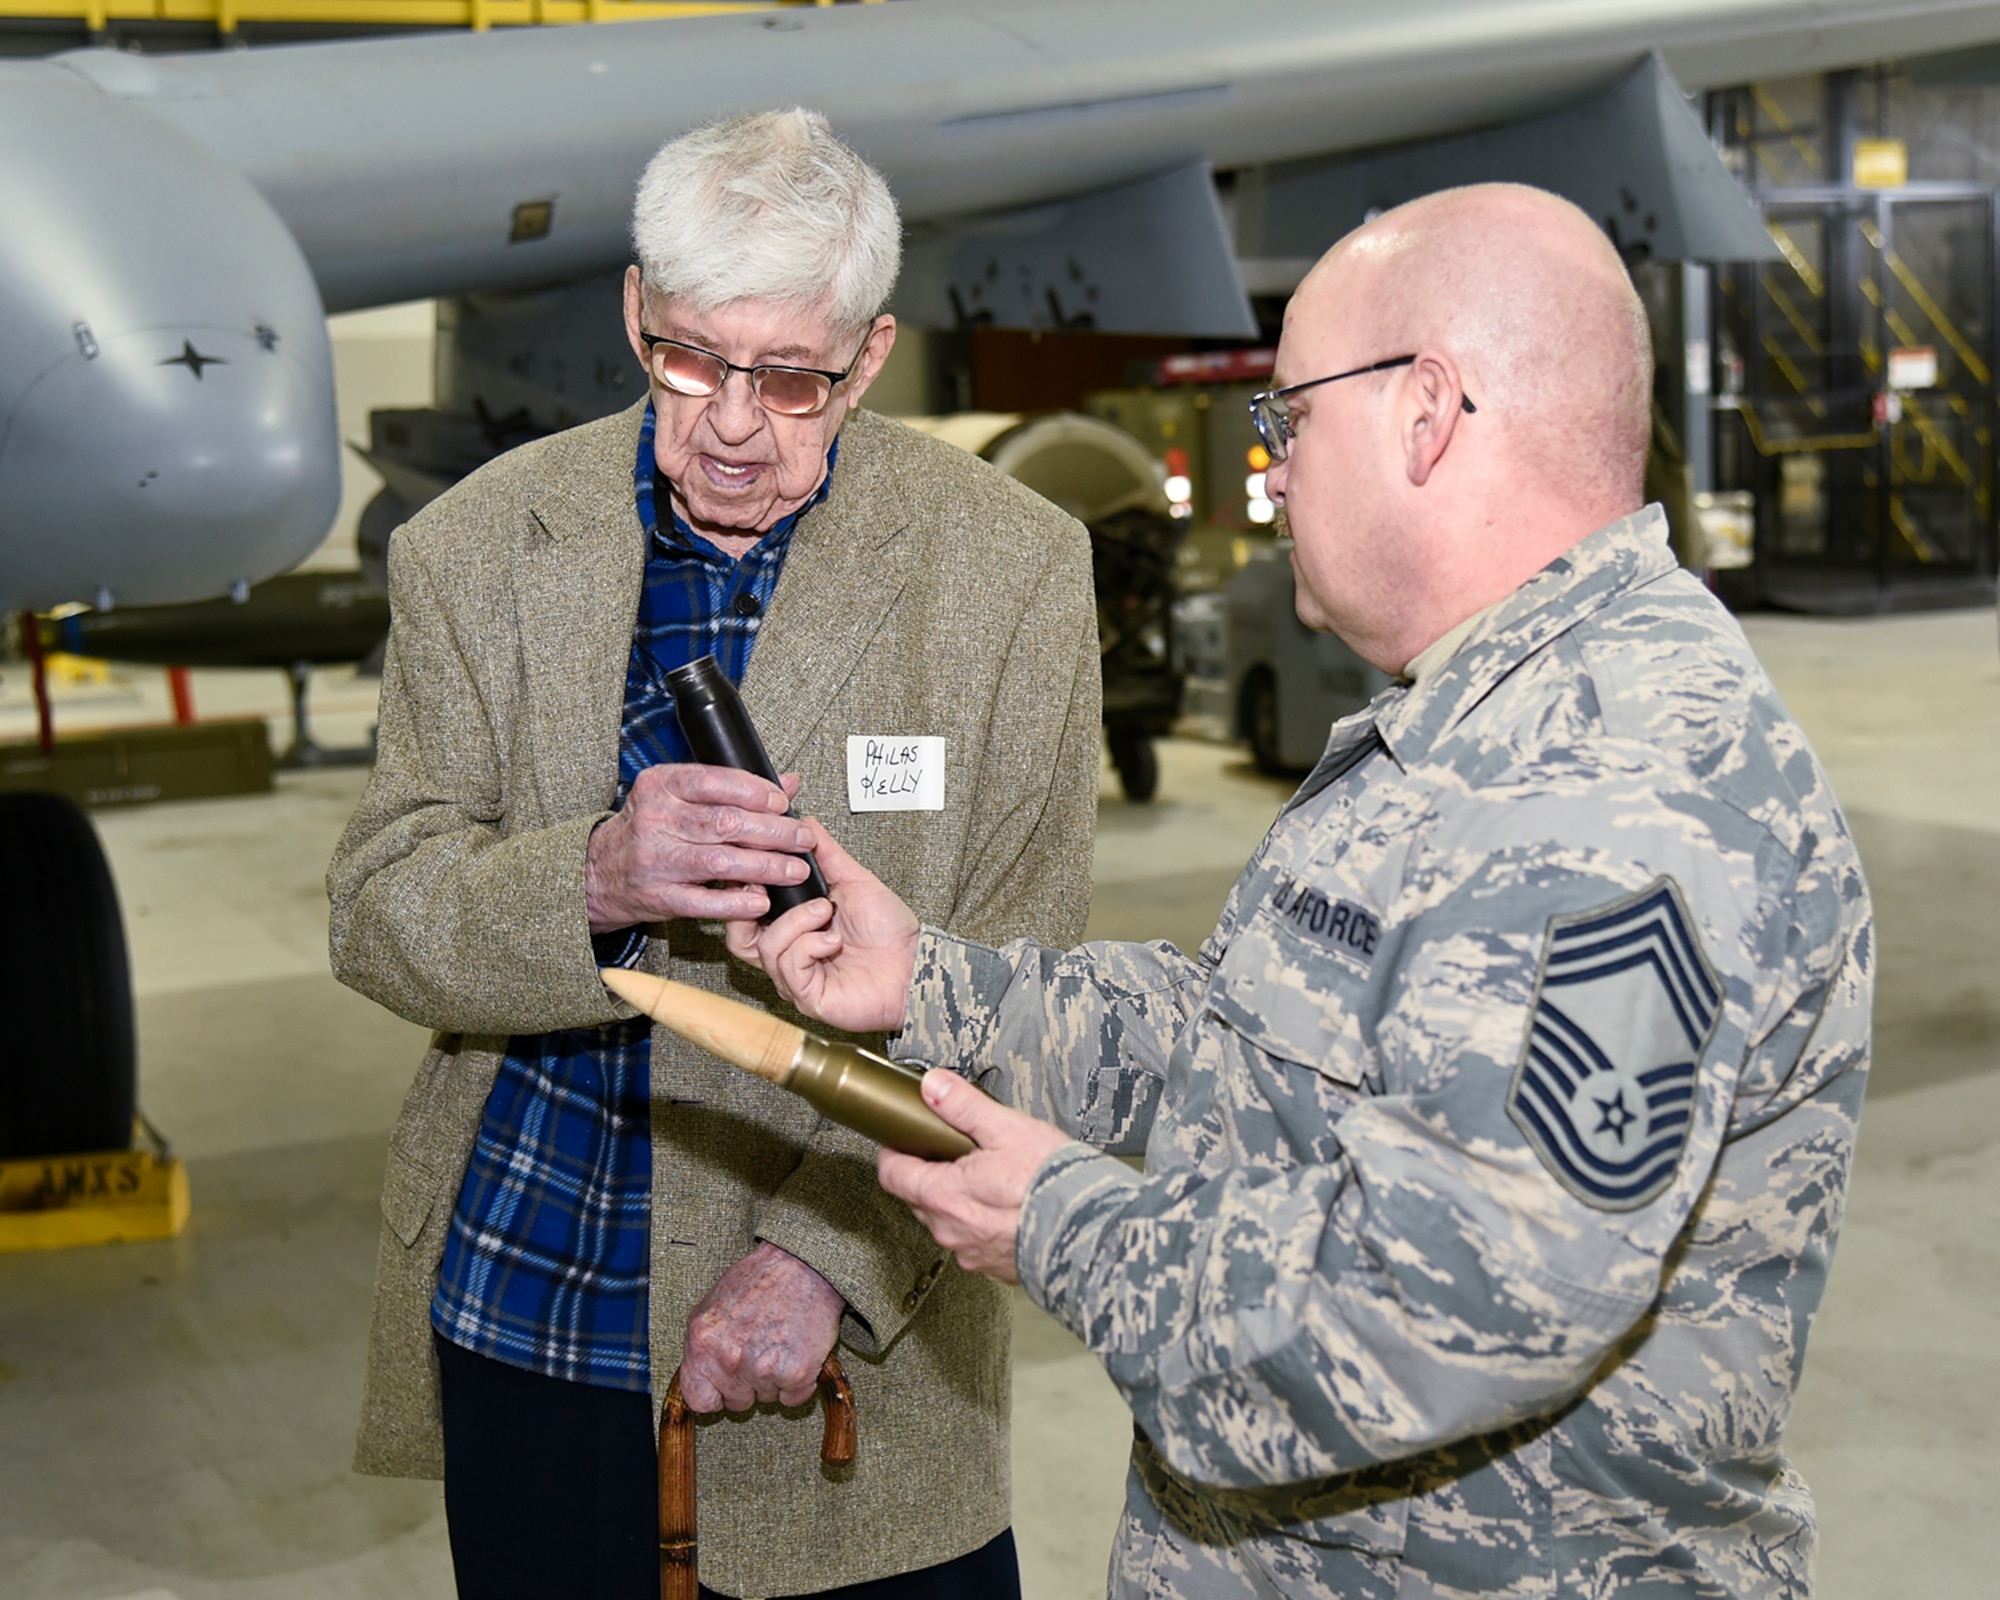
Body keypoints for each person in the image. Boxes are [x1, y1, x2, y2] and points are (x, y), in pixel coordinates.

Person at [729, 184, 1873, 1598]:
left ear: (1426, 411)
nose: (1271, 471)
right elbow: (1256, 1046)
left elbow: (1447, 1314)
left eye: (1289, 418)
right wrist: (935, 985)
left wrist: (1063, 1222)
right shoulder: (1482, 721)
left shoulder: (1614, 787)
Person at [327, 109, 1100, 1600]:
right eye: (690, 357)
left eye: (792, 376)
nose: (734, 421)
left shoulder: (1007, 570)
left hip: (862, 1327)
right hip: (536, 1304)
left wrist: (828, 1256)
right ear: (633, 312)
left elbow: (1026, 985)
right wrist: (597, 878)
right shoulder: (479, 548)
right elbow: (378, 911)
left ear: (869, 358)